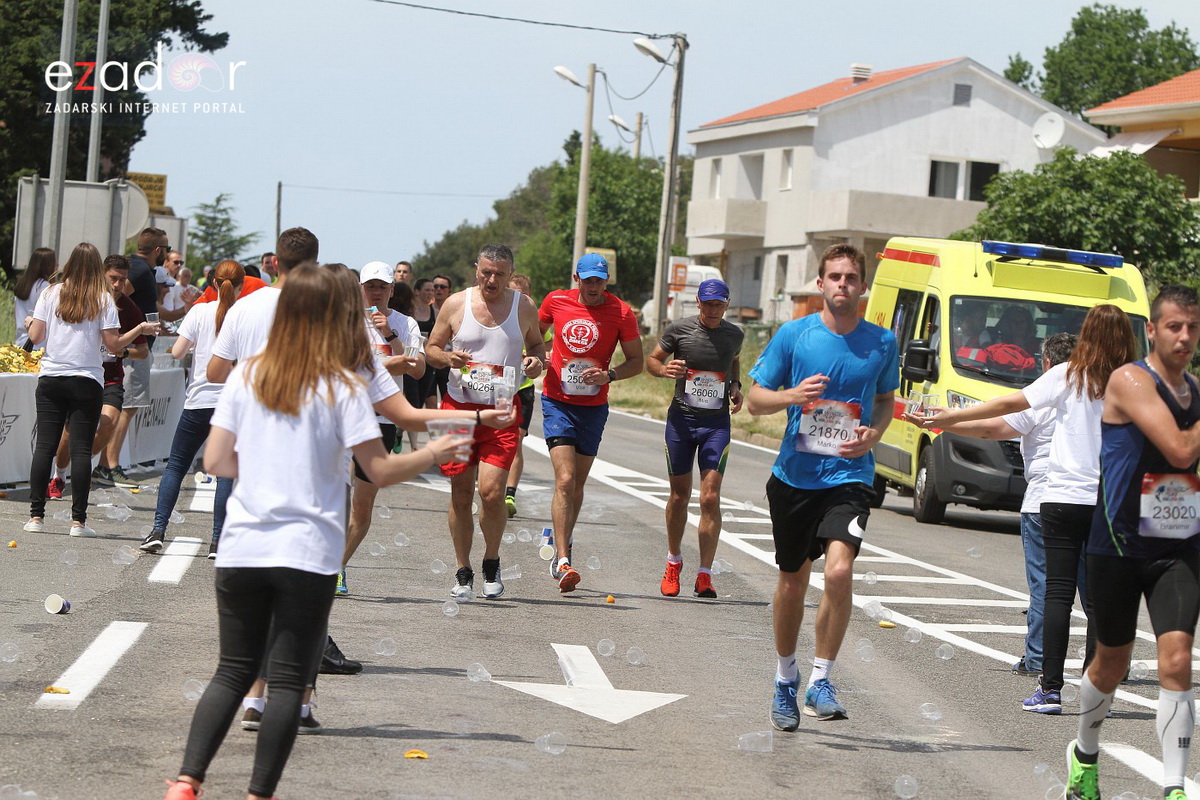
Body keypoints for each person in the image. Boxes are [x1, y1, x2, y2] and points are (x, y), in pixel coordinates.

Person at [160, 264, 465, 800]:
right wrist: (435, 452)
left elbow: (215, 462)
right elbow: (381, 470)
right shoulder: (344, 386)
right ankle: (259, 793)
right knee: (285, 686)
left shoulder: (247, 376)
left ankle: (187, 782)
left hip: (243, 547)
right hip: (309, 552)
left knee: (231, 672)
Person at [918, 304, 1137, 715]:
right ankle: (1097, 691)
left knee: (1057, 593)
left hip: (1061, 498)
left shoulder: (1066, 375)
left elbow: (1005, 407)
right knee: (1102, 601)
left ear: (1086, 334)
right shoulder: (1135, 382)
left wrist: (947, 417)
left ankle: (1050, 690)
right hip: (1109, 504)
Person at [746, 243, 898, 727]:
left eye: (851, 278)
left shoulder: (882, 342)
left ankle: (823, 678)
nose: (842, 285)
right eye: (834, 277)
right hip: (794, 477)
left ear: (863, 286)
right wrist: (791, 395)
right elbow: (754, 400)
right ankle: (786, 677)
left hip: (850, 476)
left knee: (837, 571)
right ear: (820, 284)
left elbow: (885, 401)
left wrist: (873, 434)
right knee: (792, 581)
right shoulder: (795, 335)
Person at [1059, 287, 1200, 800]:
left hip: (1177, 547)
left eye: (1193, 327)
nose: (1184, 337)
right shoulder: (1130, 380)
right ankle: (1085, 753)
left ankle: (1173, 787)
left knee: (1178, 658)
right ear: (1153, 331)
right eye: (1174, 327)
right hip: (1116, 546)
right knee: (1110, 662)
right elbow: (1181, 450)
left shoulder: (1196, 392)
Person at [904, 333, 1078, 676]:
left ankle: (1039, 659)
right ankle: (1107, 662)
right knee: (1089, 585)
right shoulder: (1092, 398)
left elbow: (991, 428)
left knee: (1046, 585)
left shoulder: (1041, 399)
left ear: (1046, 364)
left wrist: (942, 421)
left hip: (1043, 502)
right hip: (1085, 502)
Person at [425, 245, 545, 600]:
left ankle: (491, 560)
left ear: (511, 275)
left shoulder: (523, 306)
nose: (491, 280)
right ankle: (463, 570)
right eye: (485, 272)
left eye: (499, 274)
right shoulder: (456, 304)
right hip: (457, 409)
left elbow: (537, 346)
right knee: (461, 493)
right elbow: (431, 349)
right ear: (476, 269)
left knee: (492, 493)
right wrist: (448, 357)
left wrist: (537, 362)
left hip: (500, 413)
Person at [22, 243, 157, 537]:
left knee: (45, 446)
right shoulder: (103, 299)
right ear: (98, 268)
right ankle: (78, 522)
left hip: (52, 377)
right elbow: (112, 345)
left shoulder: (50, 293)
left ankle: (35, 517)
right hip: (87, 378)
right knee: (82, 450)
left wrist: (32, 321)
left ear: (69, 264)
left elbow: (36, 337)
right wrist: (139, 331)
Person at [538, 253, 643, 593]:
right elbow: (533, 336)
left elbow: (637, 362)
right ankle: (564, 558)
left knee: (577, 484)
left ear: (606, 281)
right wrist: (534, 357)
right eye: (588, 280)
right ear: (577, 278)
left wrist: (608, 374)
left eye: (600, 280)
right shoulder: (555, 301)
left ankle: (563, 541)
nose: (594, 286)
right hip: (557, 400)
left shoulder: (621, 312)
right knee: (565, 479)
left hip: (593, 407)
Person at [139, 260, 246, 558]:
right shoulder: (244, 314)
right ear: (240, 287)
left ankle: (158, 530)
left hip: (199, 399)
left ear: (212, 283)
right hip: (232, 403)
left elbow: (176, 352)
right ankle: (217, 541)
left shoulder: (199, 311)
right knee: (226, 474)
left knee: (176, 465)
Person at [647, 278, 744, 598]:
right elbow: (652, 360)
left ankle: (705, 573)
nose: (714, 309)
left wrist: (736, 385)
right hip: (682, 423)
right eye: (709, 303)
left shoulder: (735, 334)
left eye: (720, 304)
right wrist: (664, 371)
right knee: (679, 496)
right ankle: (673, 562)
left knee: (710, 497)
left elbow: (732, 358)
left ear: (726, 305)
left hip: (716, 424)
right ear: (699, 303)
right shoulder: (679, 329)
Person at [341, 261, 425, 595]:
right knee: (331, 497)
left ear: (392, 289)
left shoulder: (405, 324)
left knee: (361, 505)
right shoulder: (345, 321)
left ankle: (339, 567)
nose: (376, 292)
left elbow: (416, 371)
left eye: (382, 287)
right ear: (360, 288)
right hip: (342, 416)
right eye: (370, 286)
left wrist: (390, 334)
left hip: (381, 421)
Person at [47, 255, 149, 501]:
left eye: (123, 280)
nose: (117, 285)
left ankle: (80, 465)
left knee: (109, 422)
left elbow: (143, 352)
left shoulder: (129, 308)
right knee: (71, 431)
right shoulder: (87, 300)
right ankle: (59, 474)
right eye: (113, 278)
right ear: (102, 274)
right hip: (81, 373)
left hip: (110, 377)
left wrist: (121, 351)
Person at [98, 227, 171, 488]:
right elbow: (116, 300)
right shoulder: (138, 270)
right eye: (168, 248)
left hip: (130, 348)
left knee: (126, 408)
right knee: (125, 408)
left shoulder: (139, 269)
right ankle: (109, 466)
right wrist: (126, 338)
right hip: (126, 351)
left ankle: (106, 465)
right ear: (158, 250)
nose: (116, 284)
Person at [504, 272, 538, 519]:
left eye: (522, 294)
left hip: (523, 389)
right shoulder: (498, 315)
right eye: (513, 293)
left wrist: (535, 358)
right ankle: (488, 487)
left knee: (515, 442)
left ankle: (509, 494)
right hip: (498, 389)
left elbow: (543, 348)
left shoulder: (530, 316)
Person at [14, 247, 56, 348]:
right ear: (48, 265)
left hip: (21, 341)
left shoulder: (22, 284)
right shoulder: (43, 286)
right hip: (38, 344)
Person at [430, 274, 454, 403]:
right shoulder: (425, 311)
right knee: (430, 400)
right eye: (435, 286)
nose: (438, 289)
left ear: (449, 290)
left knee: (449, 398)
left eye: (443, 287)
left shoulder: (455, 311)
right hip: (430, 360)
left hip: (448, 360)